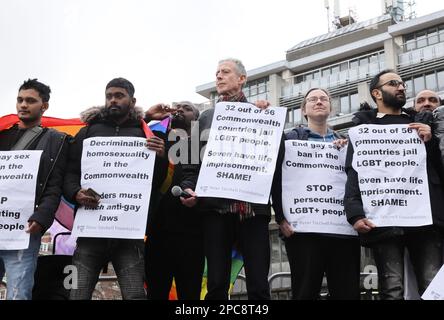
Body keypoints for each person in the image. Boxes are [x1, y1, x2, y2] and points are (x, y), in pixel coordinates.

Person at [179, 58, 279, 300]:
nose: (219, 77)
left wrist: (267, 117)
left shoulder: (262, 113)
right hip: (215, 210)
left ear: (242, 79)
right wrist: (188, 188)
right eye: (216, 73)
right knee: (215, 283)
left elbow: (275, 158)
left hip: (252, 212)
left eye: (225, 72)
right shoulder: (205, 118)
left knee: (258, 285)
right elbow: (190, 162)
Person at [63, 77, 167, 300]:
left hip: (129, 234)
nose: (112, 100)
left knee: (135, 295)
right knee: (78, 294)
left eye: (119, 96)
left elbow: (154, 182)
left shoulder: (145, 133)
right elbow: (70, 172)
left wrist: (160, 158)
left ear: (132, 100)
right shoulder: (87, 132)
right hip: (91, 231)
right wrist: (75, 193)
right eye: (109, 96)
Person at [344, 70, 444, 300]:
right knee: (392, 288)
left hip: (425, 222)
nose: (401, 87)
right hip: (383, 220)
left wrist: (431, 142)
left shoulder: (421, 126)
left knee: (433, 288)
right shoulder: (362, 131)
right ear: (376, 93)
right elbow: (354, 173)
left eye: (402, 83)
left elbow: (438, 170)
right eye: (393, 83)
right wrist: (355, 213)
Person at [272, 88, 361, 300]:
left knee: (347, 292)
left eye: (324, 99)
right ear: (304, 110)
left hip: (342, 232)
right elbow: (275, 180)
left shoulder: (347, 143)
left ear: (330, 107)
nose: (319, 102)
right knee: (304, 292)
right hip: (304, 233)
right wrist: (281, 218)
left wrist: (347, 150)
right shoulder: (287, 141)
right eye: (313, 99)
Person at [0, 79, 69, 300]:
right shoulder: (2, 134)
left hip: (24, 228)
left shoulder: (56, 140)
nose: (23, 105)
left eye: (30, 101)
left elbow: (53, 185)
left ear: (44, 106)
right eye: (20, 100)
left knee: (18, 294)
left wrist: (42, 217)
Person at [144, 101, 205, 300]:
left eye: (186, 108)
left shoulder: (204, 146)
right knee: (156, 292)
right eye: (177, 106)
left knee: (190, 294)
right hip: (158, 232)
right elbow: (132, 138)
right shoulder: (158, 139)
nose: (179, 109)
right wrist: (147, 116)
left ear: (196, 119)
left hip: (191, 235)